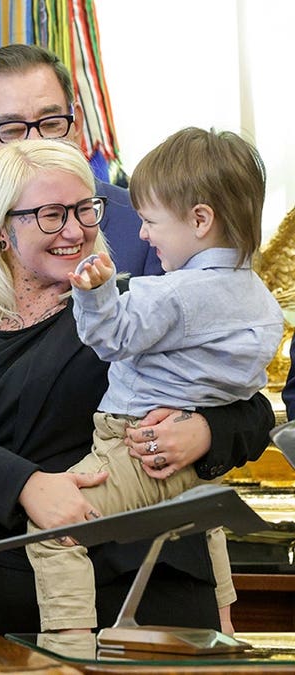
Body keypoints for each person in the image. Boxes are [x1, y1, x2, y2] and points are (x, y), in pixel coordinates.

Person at [0, 139, 274, 635]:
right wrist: (26, 486)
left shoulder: (129, 307)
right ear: (1, 227)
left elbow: (253, 411)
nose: (75, 230)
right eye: (51, 214)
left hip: (142, 601)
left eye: (85, 210)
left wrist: (203, 431)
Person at [27, 128, 282, 633]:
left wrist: (96, 292)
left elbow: (111, 339)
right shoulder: (260, 300)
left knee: (52, 529)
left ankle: (70, 650)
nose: (142, 235)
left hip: (135, 446)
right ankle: (226, 631)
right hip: (197, 466)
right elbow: (247, 389)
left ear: (200, 220)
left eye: (150, 222)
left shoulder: (173, 294)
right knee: (204, 528)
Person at [0, 44, 162, 323]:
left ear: (76, 125)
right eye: (13, 129)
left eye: (52, 123)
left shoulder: (146, 223)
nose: (35, 143)